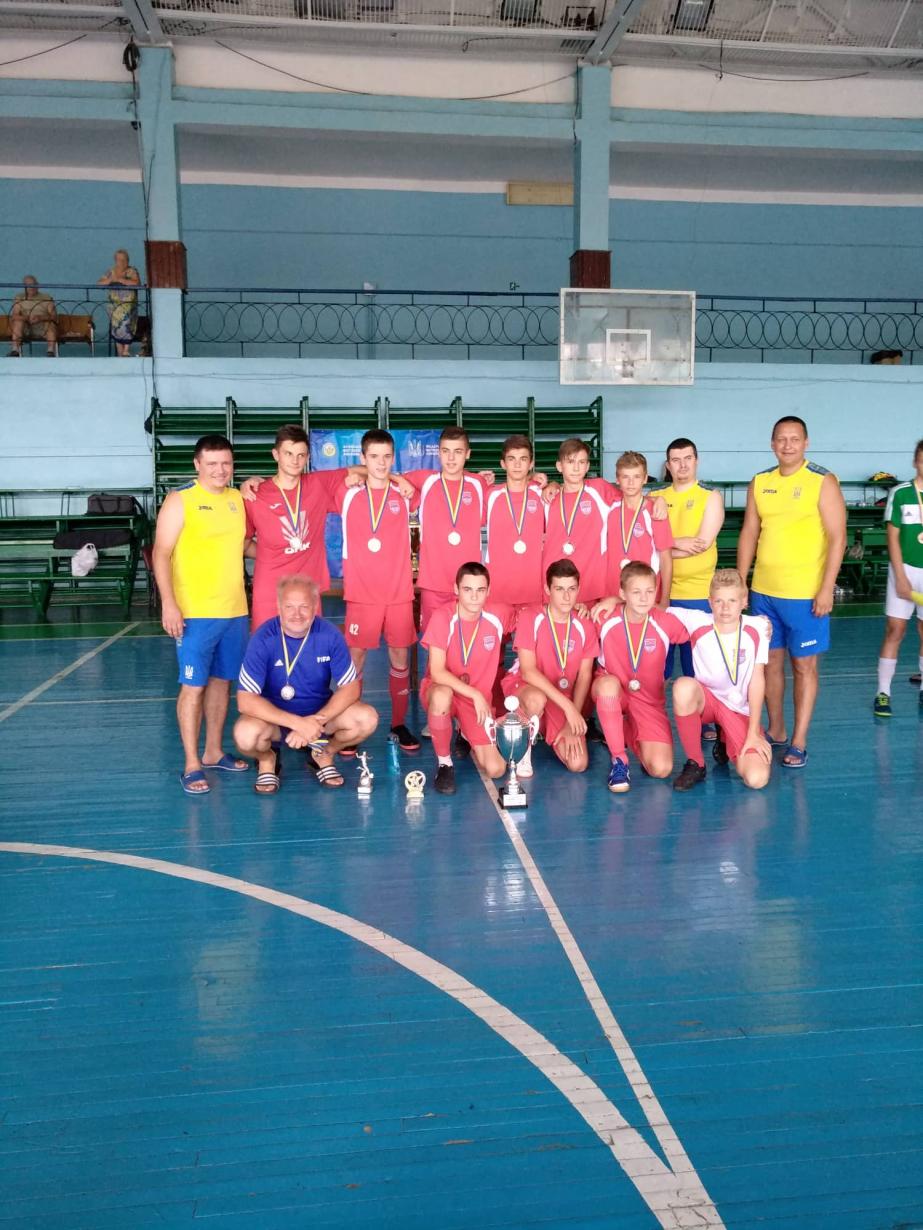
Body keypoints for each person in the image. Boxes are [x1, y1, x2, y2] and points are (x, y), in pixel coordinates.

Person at [736, 415, 846, 769]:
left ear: (806, 443)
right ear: (772, 444)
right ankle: (777, 729)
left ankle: (798, 741)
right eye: (781, 439)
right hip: (764, 593)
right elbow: (750, 532)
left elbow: (838, 537)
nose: (787, 445)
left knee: (803, 667)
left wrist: (826, 588)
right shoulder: (760, 482)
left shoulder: (822, 481)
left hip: (805, 595)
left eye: (794, 439)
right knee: (769, 665)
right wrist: (741, 580)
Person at [152, 434, 250, 795]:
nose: (220, 470)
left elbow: (242, 546)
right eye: (212, 464)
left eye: (226, 463)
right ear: (197, 465)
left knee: (222, 683)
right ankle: (192, 763)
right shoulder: (180, 500)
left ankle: (213, 752)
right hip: (195, 612)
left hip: (235, 610)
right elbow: (161, 553)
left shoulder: (237, 499)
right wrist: (169, 603)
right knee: (193, 687)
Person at [234, 576, 378, 792]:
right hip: (274, 722)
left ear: (315, 606)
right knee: (244, 735)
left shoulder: (329, 634)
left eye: (304, 606)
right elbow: (245, 701)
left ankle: (324, 754)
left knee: (366, 718)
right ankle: (267, 760)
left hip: (319, 718)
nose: (297, 614)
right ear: (279, 607)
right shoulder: (263, 638)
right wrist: (297, 724)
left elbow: (351, 688)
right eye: (289, 607)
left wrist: (315, 722)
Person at [337, 428, 420, 751]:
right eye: (374, 457)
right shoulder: (347, 493)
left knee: (400, 658)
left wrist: (399, 479)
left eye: (387, 457)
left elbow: (445, 478)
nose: (381, 463)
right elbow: (329, 477)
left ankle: (398, 724)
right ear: (363, 458)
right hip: (361, 594)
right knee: (355, 660)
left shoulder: (404, 494)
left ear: (394, 458)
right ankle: (349, 725)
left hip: (398, 593)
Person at [240, 425, 368, 631]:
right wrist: (273, 551)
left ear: (308, 457)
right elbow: (244, 545)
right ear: (276, 455)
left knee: (309, 648)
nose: (295, 460)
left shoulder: (319, 484)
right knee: (268, 647)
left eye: (301, 455)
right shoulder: (255, 495)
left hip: (307, 592)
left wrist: (367, 478)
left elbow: (367, 470)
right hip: (270, 593)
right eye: (288, 454)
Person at [668, 569, 773, 791]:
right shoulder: (696, 620)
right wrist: (614, 601)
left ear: (744, 601)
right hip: (707, 701)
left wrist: (753, 733)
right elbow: (646, 606)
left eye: (732, 601)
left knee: (757, 779)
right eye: (719, 601)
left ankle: (725, 736)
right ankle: (696, 763)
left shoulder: (759, 627)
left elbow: (757, 681)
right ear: (710, 602)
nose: (725, 608)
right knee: (683, 687)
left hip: (739, 709)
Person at [592, 562, 689, 793]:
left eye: (649, 591)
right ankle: (619, 760)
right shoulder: (604, 617)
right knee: (608, 686)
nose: (644, 598)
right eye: (636, 592)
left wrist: (755, 624)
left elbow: (707, 624)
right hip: (614, 691)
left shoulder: (666, 621)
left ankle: (624, 729)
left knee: (661, 769)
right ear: (622, 593)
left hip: (648, 700)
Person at [501, 559, 598, 775]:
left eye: (571, 589)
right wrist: (569, 709)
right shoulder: (531, 617)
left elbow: (584, 676)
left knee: (578, 764)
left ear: (579, 589)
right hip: (526, 687)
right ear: (547, 589)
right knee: (536, 699)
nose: (566, 597)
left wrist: (572, 717)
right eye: (559, 589)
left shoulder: (585, 624)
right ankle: (522, 747)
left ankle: (541, 726)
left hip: (560, 696)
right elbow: (528, 671)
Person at [420, 562, 509, 795]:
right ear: (456, 589)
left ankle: (464, 731)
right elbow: (437, 671)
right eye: (467, 589)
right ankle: (444, 763)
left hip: (473, 702)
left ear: (489, 591)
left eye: (480, 590)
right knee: (442, 695)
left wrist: (581, 606)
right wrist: (476, 694)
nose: (474, 596)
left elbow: (537, 615)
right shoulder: (443, 617)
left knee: (497, 769)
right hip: (443, 689)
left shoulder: (499, 615)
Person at [403, 426, 492, 632]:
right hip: (434, 582)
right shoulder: (426, 480)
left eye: (458, 451)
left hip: (469, 584)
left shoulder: (478, 484)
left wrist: (547, 483)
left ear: (467, 454)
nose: (451, 458)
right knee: (434, 639)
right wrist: (400, 480)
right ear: (439, 452)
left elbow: (509, 492)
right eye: (446, 451)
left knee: (467, 639)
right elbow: (387, 476)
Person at [656, 437, 725, 677]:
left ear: (697, 461)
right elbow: (643, 544)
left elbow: (701, 545)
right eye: (676, 460)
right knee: (657, 670)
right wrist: (676, 542)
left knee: (696, 670)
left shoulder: (711, 496)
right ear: (668, 465)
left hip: (698, 596)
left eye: (688, 458)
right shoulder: (656, 497)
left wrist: (662, 549)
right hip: (660, 594)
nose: (682, 465)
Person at [873, 440, 923, 717]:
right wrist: (901, 578)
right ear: (915, 462)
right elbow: (892, 538)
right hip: (903, 570)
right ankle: (883, 692)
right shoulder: (901, 493)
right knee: (895, 630)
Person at [541, 438, 612, 606]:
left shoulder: (599, 489)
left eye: (581, 462)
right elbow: (518, 481)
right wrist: (550, 483)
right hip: (555, 587)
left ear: (587, 466)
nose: (576, 468)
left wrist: (656, 500)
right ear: (559, 466)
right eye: (570, 462)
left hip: (591, 585)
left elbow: (633, 500)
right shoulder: (548, 497)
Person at [484, 434, 547, 616]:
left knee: (531, 635)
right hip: (498, 590)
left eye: (523, 459)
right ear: (503, 464)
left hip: (533, 590)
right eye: (512, 459)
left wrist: (552, 485)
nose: (517, 465)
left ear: (531, 463)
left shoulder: (543, 495)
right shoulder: (491, 495)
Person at [603, 450, 674, 604]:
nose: (631, 483)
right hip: (612, 593)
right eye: (625, 477)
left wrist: (664, 600)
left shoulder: (655, 512)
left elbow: (666, 559)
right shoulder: (608, 506)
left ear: (645, 478)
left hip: (645, 596)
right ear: (617, 479)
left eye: (636, 477)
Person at [98, 250, 140, 357]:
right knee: (116, 326)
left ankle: (126, 350)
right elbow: (100, 283)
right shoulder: (110, 271)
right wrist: (110, 280)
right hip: (114, 305)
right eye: (119, 260)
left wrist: (122, 280)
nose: (122, 262)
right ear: (115, 260)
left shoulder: (132, 271)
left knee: (126, 325)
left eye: (124, 260)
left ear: (128, 260)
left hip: (128, 305)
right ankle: (120, 353)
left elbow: (136, 283)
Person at [8, 276, 57, 357]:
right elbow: (14, 316)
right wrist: (26, 318)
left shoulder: (46, 298)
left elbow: (54, 316)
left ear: (37, 285)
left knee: (50, 324)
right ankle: (15, 350)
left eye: (33, 284)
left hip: (42, 327)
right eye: (28, 285)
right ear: (24, 287)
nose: (31, 287)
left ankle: (51, 352)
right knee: (18, 322)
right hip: (25, 328)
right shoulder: (19, 298)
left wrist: (40, 318)